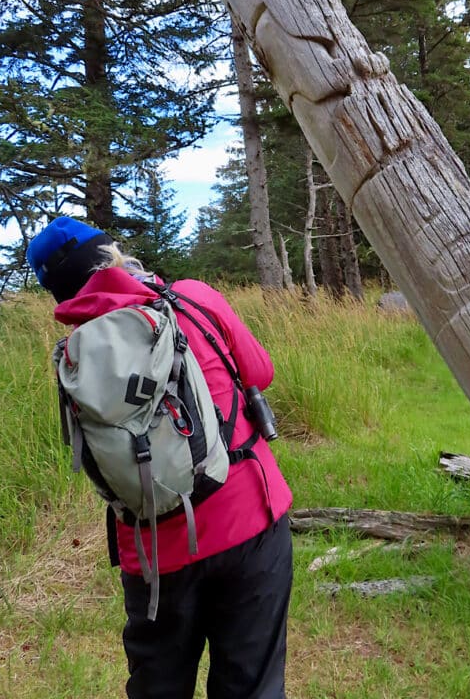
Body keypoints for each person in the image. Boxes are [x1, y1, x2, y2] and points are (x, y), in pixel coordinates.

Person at [26, 216, 293, 699]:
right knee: (253, 685)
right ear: (111, 252)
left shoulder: (75, 356)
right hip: (250, 515)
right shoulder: (192, 296)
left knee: (158, 687)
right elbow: (261, 372)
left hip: (152, 549)